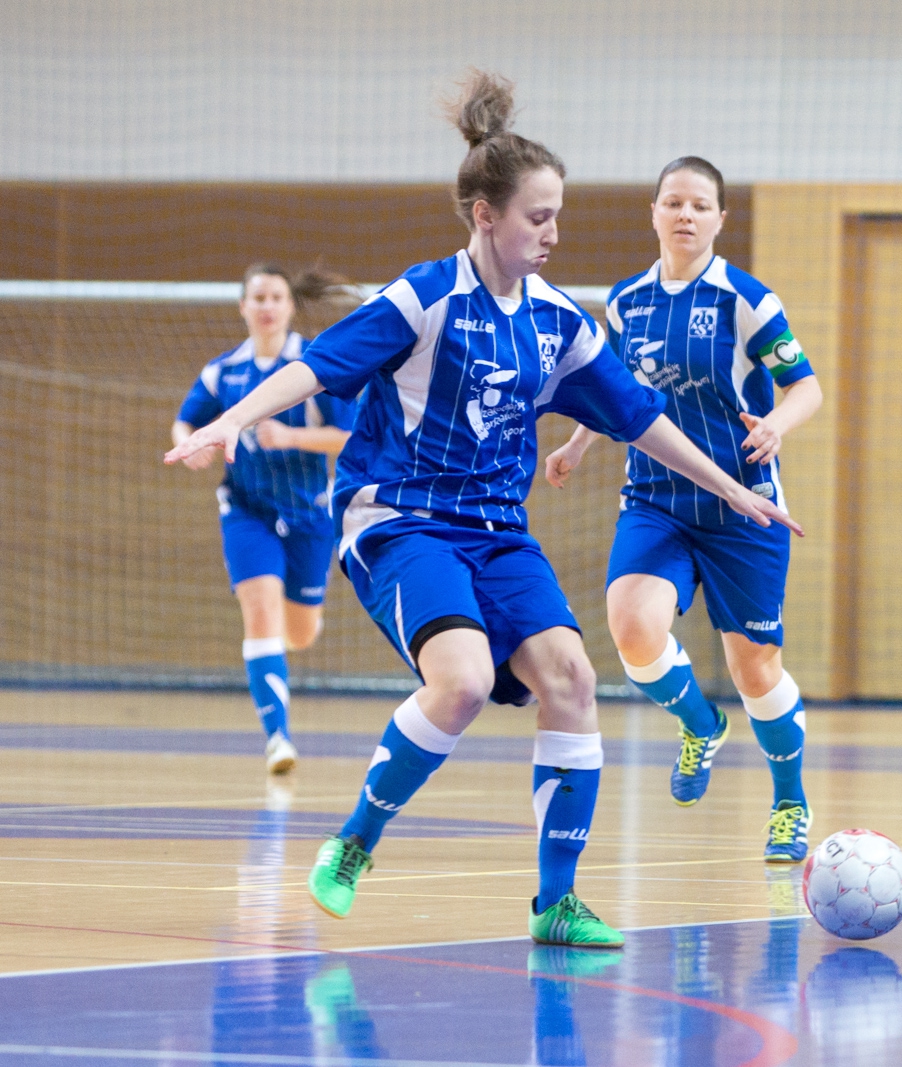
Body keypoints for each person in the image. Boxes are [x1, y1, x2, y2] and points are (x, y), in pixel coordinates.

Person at [166, 70, 799, 948]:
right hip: (401, 518)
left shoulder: (558, 321)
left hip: (498, 529)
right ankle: (355, 842)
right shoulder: (423, 299)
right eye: (538, 217)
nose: (553, 233)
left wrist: (729, 485)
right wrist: (232, 419)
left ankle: (556, 904)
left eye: (558, 216)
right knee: (461, 680)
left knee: (573, 679)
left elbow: (639, 416)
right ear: (485, 216)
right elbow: (318, 365)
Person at [544, 156, 823, 862]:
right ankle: (700, 723)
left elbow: (806, 387)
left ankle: (789, 801)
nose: (686, 215)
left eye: (700, 205)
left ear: (720, 218)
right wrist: (577, 441)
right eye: (674, 202)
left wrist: (776, 424)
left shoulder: (747, 299)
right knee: (633, 626)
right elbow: (613, 390)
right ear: (655, 212)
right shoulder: (626, 302)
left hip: (744, 507)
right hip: (657, 499)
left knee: (755, 671)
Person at [172, 264, 355, 774]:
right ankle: (278, 739)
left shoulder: (315, 367)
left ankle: (298, 625)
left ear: (291, 305)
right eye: (258, 297)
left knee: (300, 633)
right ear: (243, 307)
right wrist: (189, 445)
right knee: (259, 610)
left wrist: (292, 437)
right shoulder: (223, 372)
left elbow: (351, 439)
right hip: (246, 511)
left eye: (276, 297)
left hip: (309, 513)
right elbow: (185, 420)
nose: (267, 306)